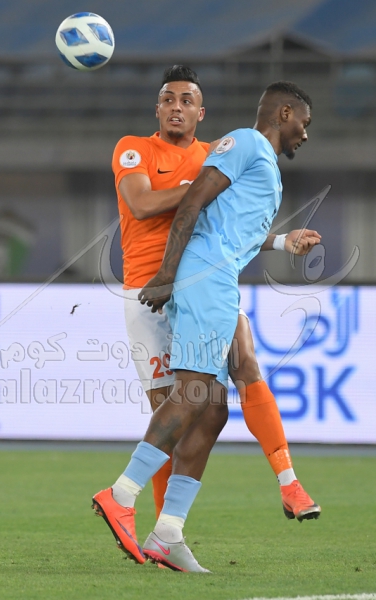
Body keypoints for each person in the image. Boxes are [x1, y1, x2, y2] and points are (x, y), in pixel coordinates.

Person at [94, 71, 318, 572]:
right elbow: (155, 204)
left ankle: (168, 532)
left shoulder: (219, 154)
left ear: (201, 112)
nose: (176, 107)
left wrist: (283, 242)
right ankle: (126, 499)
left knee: (214, 405)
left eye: (186, 100)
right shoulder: (142, 148)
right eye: (167, 99)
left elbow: (227, 220)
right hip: (159, 286)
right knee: (183, 402)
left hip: (200, 279)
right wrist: (201, 191)